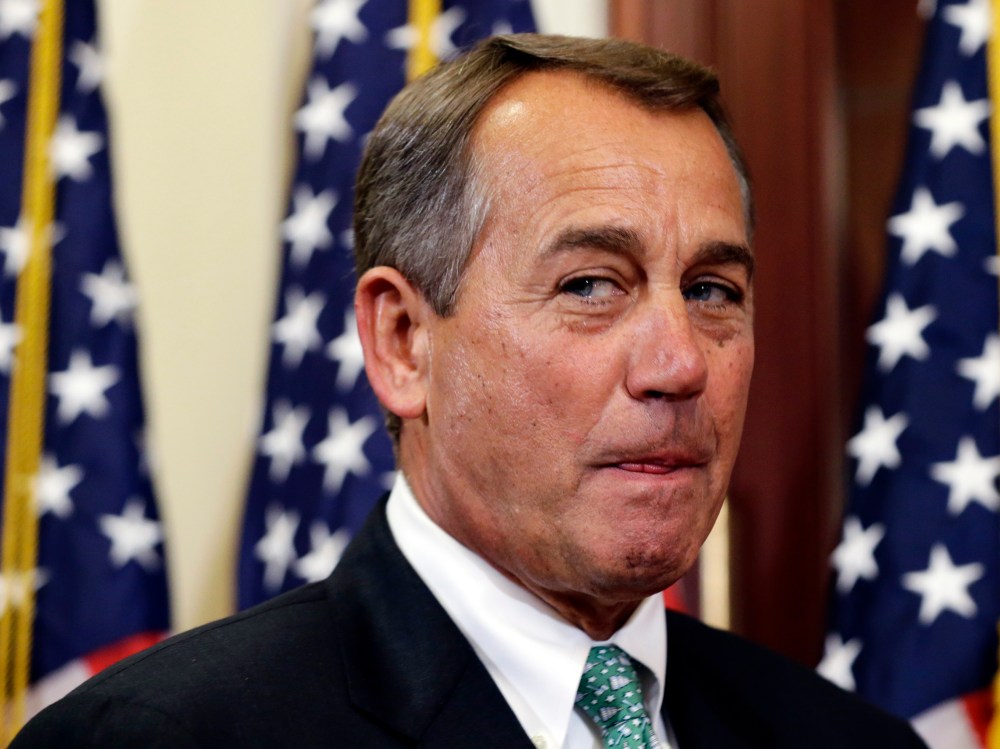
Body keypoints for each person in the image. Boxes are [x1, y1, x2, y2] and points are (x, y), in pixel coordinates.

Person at [13, 34, 927, 749]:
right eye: (589, 285)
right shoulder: (164, 747)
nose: (679, 363)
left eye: (711, 291)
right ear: (404, 342)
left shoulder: (850, 744)